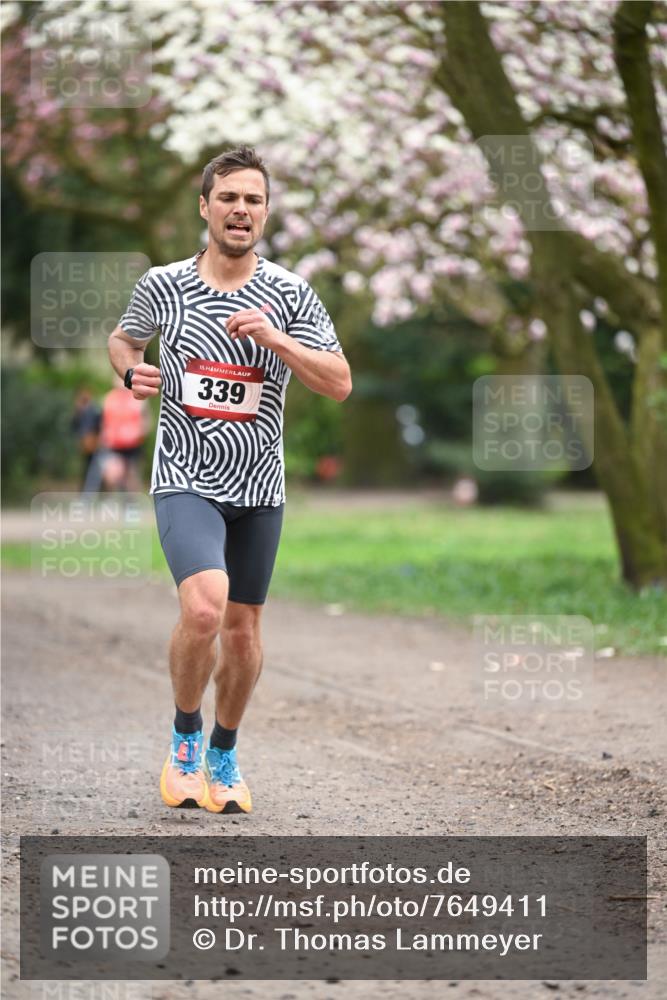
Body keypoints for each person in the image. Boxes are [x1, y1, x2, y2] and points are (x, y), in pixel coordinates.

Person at [108, 146, 352, 814]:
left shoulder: (291, 294)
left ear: (265, 213)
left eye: (253, 200)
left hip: (259, 489)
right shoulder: (164, 284)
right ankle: (184, 738)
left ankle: (223, 751)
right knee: (205, 608)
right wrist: (130, 372)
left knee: (242, 631)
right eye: (228, 197)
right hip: (186, 475)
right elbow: (124, 340)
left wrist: (277, 341)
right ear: (205, 207)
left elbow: (338, 382)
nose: (240, 210)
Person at [99, 375, 150, 492]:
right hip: (114, 444)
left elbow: (146, 420)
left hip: (133, 444)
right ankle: (115, 499)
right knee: (112, 474)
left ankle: (132, 505)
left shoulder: (138, 398)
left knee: (132, 475)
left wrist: (142, 432)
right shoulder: (108, 398)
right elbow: (103, 421)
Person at [71, 388, 101, 492]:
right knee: (86, 469)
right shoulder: (80, 411)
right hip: (85, 445)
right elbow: (75, 426)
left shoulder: (94, 410)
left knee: (95, 470)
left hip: (95, 445)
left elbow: (98, 426)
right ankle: (85, 492)